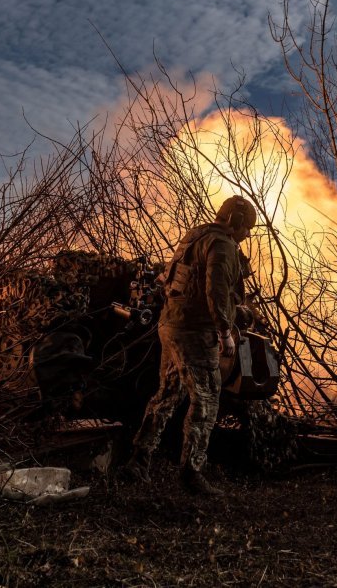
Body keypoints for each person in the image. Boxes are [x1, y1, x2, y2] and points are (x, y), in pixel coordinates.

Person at [123, 196, 257, 495]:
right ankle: (191, 473)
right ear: (235, 222)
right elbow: (216, 290)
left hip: (171, 326)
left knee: (167, 394)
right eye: (247, 227)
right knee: (207, 400)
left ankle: (138, 460)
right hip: (196, 332)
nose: (247, 234)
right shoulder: (221, 245)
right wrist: (225, 332)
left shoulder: (196, 235)